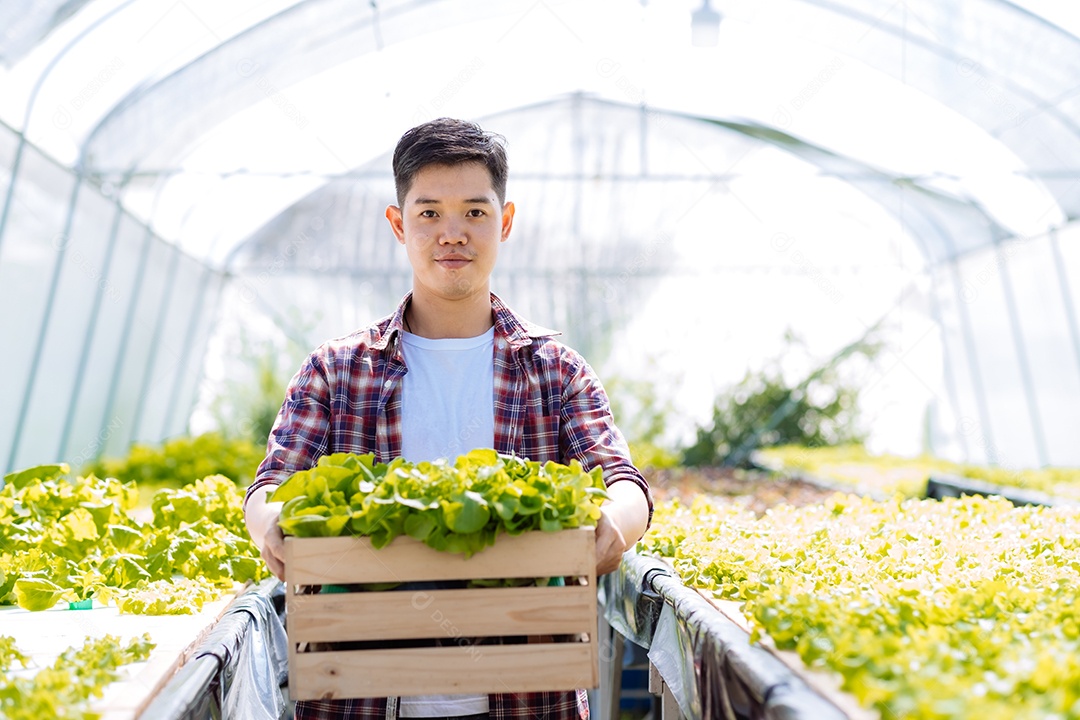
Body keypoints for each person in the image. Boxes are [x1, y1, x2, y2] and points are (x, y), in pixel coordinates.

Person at [244, 118, 653, 720]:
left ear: (505, 222)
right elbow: (271, 486)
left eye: (475, 213)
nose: (452, 234)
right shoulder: (337, 371)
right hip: (362, 692)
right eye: (429, 213)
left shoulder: (555, 371)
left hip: (529, 691)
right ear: (398, 224)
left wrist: (617, 524)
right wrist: (269, 523)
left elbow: (621, 479)